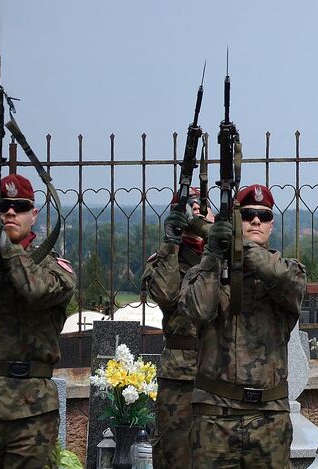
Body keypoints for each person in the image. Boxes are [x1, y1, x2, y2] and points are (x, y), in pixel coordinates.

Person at [180, 184, 306, 468]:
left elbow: (279, 277)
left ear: (272, 225)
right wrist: (213, 253)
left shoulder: (289, 270)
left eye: (264, 216)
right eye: (247, 216)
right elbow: (199, 310)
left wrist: (237, 241)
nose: (256, 221)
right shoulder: (204, 272)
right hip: (215, 415)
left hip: (268, 416)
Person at [0, 173, 76, 468]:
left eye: (19, 207)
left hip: (33, 409)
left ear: (34, 215)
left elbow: (36, 291)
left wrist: (6, 247)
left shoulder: (54, 267)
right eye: (2, 206)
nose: (9, 212)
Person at [141, 186, 213, 467]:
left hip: (219, 369)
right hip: (180, 375)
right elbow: (165, 294)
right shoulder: (164, 259)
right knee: (175, 454)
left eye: (200, 205)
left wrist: (213, 238)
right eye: (187, 206)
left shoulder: (226, 255)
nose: (195, 210)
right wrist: (171, 243)